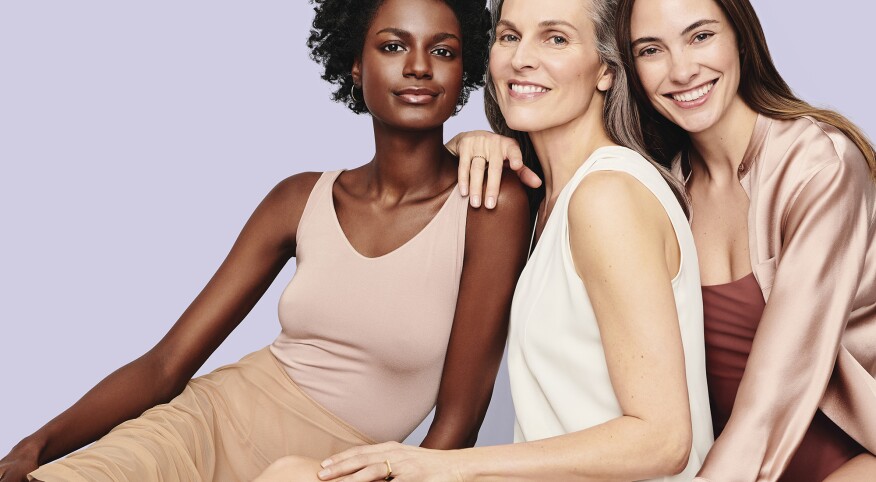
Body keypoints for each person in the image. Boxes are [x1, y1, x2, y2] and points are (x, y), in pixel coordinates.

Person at [0, 0, 531, 481]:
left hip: (332, 469)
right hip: (200, 430)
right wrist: (32, 447)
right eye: (393, 46)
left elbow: (458, 425)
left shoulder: (489, 204)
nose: (418, 66)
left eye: (443, 50)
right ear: (354, 62)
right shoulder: (299, 199)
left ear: (465, 70)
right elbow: (166, 365)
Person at [450, 0, 876, 480]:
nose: (682, 70)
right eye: (651, 49)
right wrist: (466, 147)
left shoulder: (819, 165)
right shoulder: (666, 180)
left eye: (700, 36)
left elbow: (776, 392)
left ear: (741, 36)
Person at [304, 0, 714, 480]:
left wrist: (448, 466)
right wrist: (462, 148)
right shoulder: (550, 197)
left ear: (605, 68)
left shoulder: (608, 198)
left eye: (556, 38)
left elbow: (662, 440)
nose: (522, 58)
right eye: (510, 36)